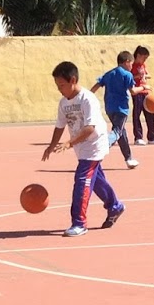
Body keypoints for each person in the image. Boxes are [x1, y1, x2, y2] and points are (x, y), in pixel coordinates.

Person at [43, 61, 123, 237]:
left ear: (73, 80)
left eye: (62, 85)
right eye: (57, 86)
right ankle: (115, 206)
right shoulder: (64, 102)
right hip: (81, 146)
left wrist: (69, 143)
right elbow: (59, 125)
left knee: (82, 180)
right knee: (95, 180)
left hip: (94, 144)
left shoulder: (88, 99)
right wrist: (51, 145)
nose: (60, 89)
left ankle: (79, 223)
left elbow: (89, 128)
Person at [93, 50, 140, 168]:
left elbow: (97, 85)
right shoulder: (127, 74)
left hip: (109, 108)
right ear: (127, 62)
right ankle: (104, 145)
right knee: (117, 131)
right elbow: (133, 91)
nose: (131, 67)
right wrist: (144, 87)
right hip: (121, 109)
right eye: (131, 64)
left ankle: (129, 159)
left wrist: (87, 96)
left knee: (121, 132)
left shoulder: (109, 73)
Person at [130, 46, 154, 145]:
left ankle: (152, 137)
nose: (144, 60)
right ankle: (138, 137)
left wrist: (144, 76)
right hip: (138, 92)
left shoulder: (143, 65)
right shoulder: (132, 65)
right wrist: (137, 76)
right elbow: (130, 77)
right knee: (137, 115)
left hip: (146, 92)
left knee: (150, 113)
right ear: (138, 56)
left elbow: (148, 74)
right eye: (144, 57)